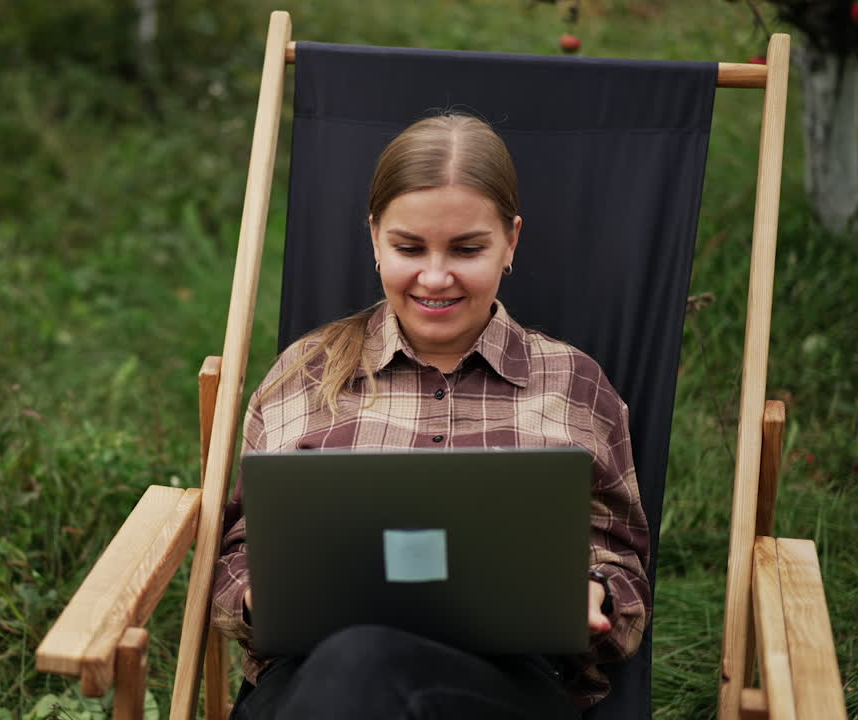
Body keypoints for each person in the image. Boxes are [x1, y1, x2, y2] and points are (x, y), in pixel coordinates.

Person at [210, 113, 651, 719]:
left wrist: (593, 592)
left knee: (364, 661)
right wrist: (262, 595)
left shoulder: (575, 385)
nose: (436, 276)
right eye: (409, 247)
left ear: (511, 242)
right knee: (353, 663)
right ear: (373, 238)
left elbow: (624, 568)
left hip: (503, 686)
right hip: (307, 677)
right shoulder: (303, 375)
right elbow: (238, 551)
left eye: (467, 248)